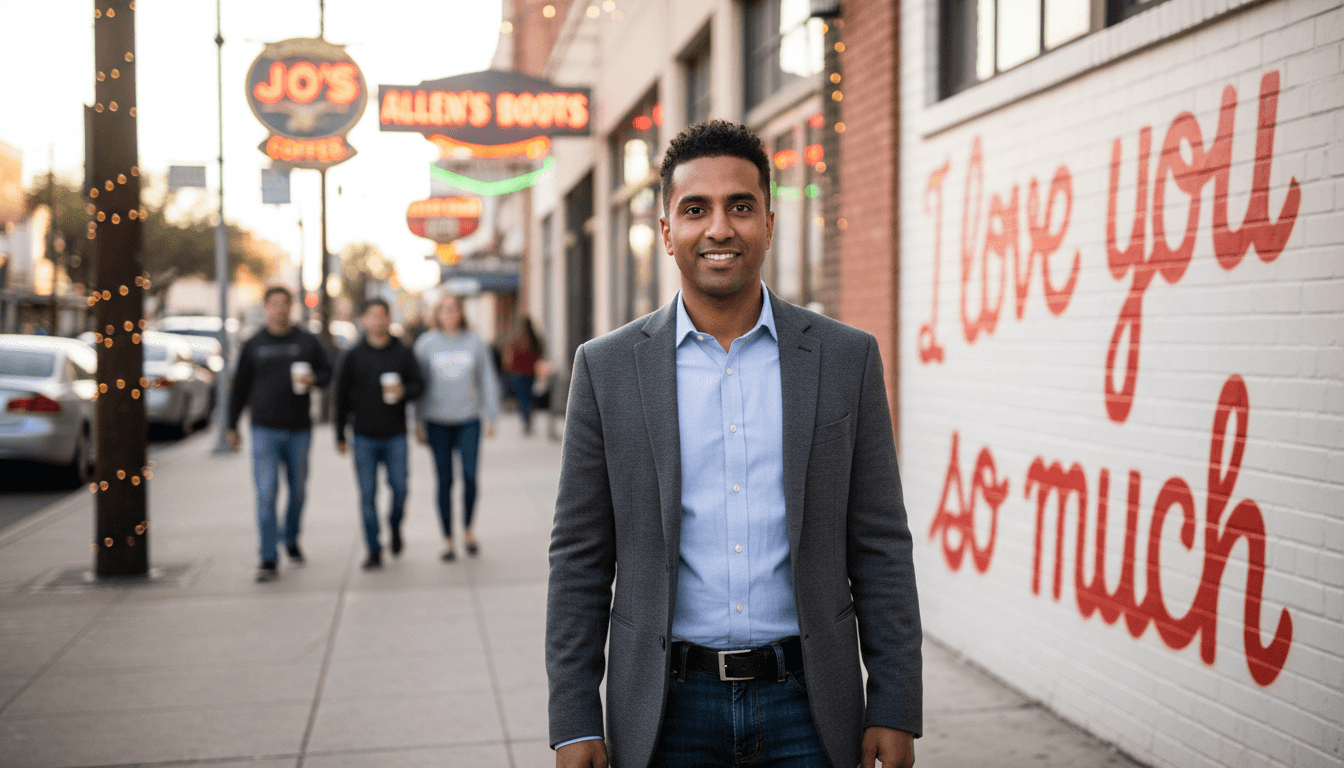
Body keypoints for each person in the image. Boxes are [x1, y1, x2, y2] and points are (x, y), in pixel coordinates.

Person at [546, 121, 921, 768]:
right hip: (667, 709)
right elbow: (580, 558)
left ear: (769, 224)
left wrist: (894, 701)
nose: (719, 228)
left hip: (807, 704)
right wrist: (574, 715)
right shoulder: (605, 370)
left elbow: (881, 543)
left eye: (740, 207)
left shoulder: (845, 358)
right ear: (666, 231)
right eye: (696, 209)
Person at [227, 286, 332, 582]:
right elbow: (239, 388)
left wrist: (315, 379)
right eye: (274, 304)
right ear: (266, 308)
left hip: (299, 429)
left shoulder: (307, 341)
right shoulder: (253, 344)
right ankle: (268, 556)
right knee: (266, 493)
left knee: (297, 490)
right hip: (264, 430)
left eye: (284, 304)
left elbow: (327, 375)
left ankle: (291, 537)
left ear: (291, 307)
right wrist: (231, 425)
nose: (279, 309)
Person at [333, 299, 425, 570]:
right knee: (367, 494)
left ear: (389, 319)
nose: (378, 320)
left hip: (395, 434)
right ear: (364, 320)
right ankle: (373, 548)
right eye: (372, 315)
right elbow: (340, 397)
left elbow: (419, 385)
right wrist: (339, 434)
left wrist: (404, 392)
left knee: (400, 489)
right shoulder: (352, 355)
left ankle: (395, 526)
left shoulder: (403, 353)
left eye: (382, 315)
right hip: (363, 436)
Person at [413, 294, 499, 561]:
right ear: (436, 314)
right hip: (436, 420)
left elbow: (487, 379)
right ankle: (448, 539)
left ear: (461, 313)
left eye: (454, 309)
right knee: (445, 479)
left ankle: (468, 530)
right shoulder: (426, 344)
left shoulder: (474, 342)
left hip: (469, 419)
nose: (449, 314)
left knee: (471, 477)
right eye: (444, 310)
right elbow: (416, 385)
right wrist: (415, 421)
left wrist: (491, 415)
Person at [503, 315, 545, 434]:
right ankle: (528, 418)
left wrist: (508, 368)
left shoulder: (515, 339)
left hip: (518, 373)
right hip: (530, 373)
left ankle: (525, 419)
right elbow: (540, 355)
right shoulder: (535, 339)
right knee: (529, 398)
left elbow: (508, 357)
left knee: (522, 399)